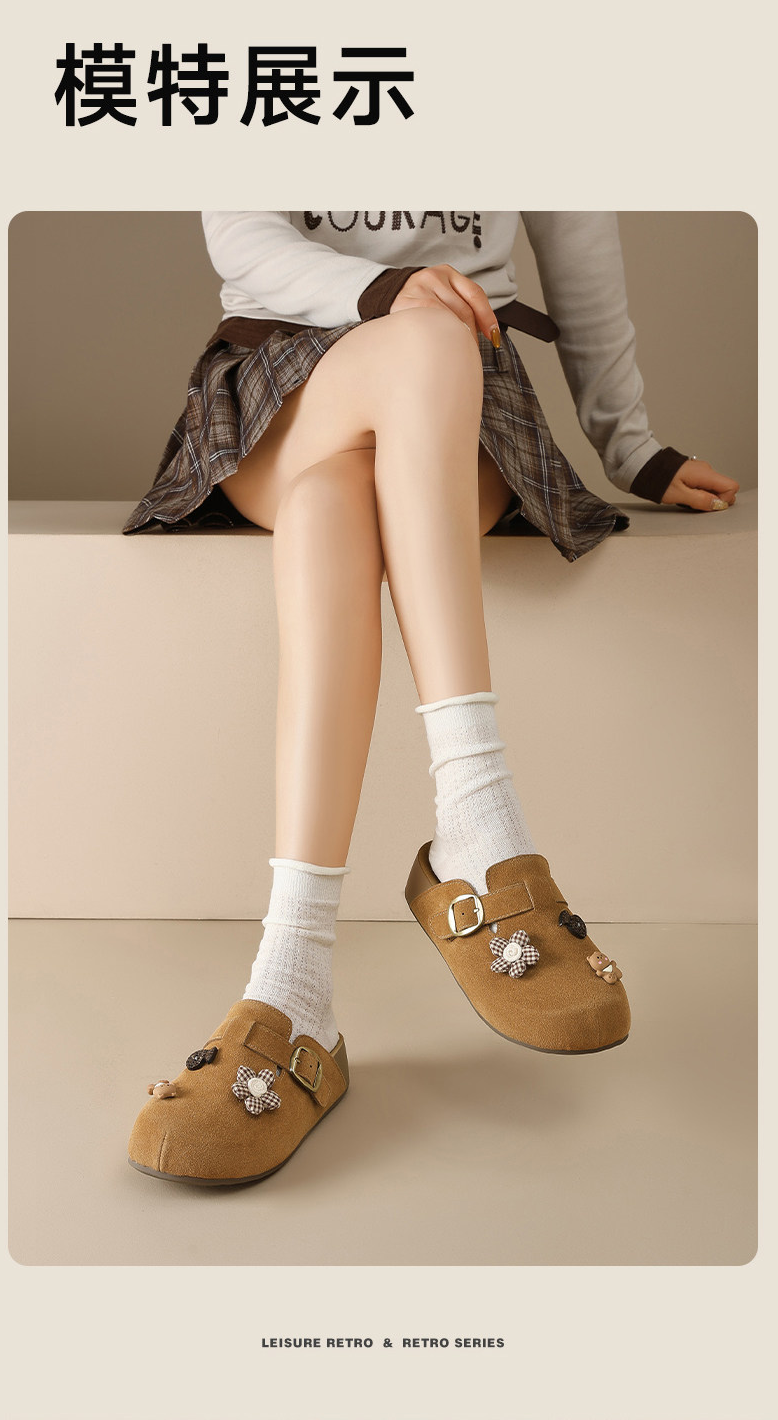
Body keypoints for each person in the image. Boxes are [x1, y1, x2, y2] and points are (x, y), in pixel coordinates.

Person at [125, 211, 739, 1186]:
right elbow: (242, 234)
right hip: (289, 378)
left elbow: (581, 246)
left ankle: (292, 988)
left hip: (460, 398)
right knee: (424, 333)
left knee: (333, 500)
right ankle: (477, 824)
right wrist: (384, 293)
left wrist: (634, 447)